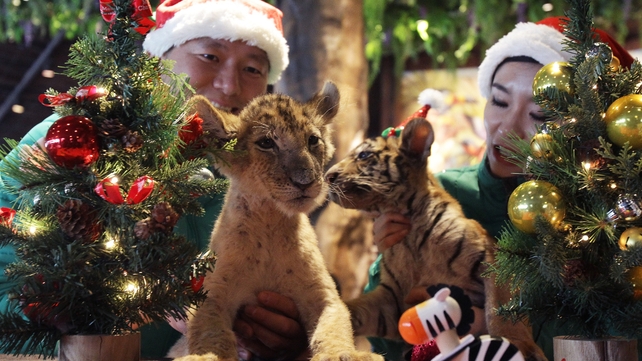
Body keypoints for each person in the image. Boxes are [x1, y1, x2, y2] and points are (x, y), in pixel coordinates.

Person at [0, 0, 308, 359]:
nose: (229, 85)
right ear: (160, 57)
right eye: (209, 56)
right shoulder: (72, 140)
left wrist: (290, 334)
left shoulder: (263, 180)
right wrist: (85, 309)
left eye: (253, 69)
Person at [364, 16, 635, 361]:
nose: (507, 128)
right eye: (500, 101)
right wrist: (393, 264)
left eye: (540, 115)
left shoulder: (605, 228)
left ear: (586, 136)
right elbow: (384, 341)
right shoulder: (441, 197)